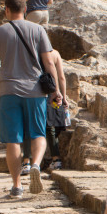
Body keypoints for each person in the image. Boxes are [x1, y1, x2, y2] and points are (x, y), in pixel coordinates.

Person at [0, 0, 61, 198]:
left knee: (13, 141)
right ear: (25, 9)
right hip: (35, 91)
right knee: (38, 134)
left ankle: (17, 185)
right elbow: (49, 63)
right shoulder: (38, 30)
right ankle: (35, 165)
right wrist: (56, 91)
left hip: (8, 91)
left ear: (7, 10)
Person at [21, 46, 68, 175]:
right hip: (51, 92)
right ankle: (56, 159)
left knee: (29, 127)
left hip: (33, 92)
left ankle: (27, 162)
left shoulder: (31, 51)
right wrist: (63, 97)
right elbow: (61, 77)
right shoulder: (55, 53)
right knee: (50, 127)